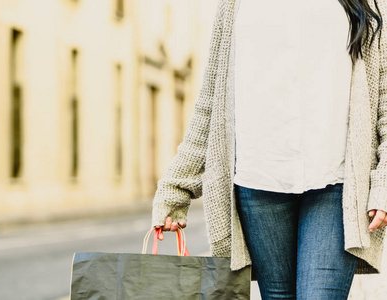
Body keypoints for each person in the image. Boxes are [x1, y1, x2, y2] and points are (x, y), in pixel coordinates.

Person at [152, 0, 387, 299]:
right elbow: (211, 99)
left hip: (338, 182)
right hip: (258, 179)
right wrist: (177, 186)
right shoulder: (232, 4)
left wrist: (383, 180)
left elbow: (384, 93)